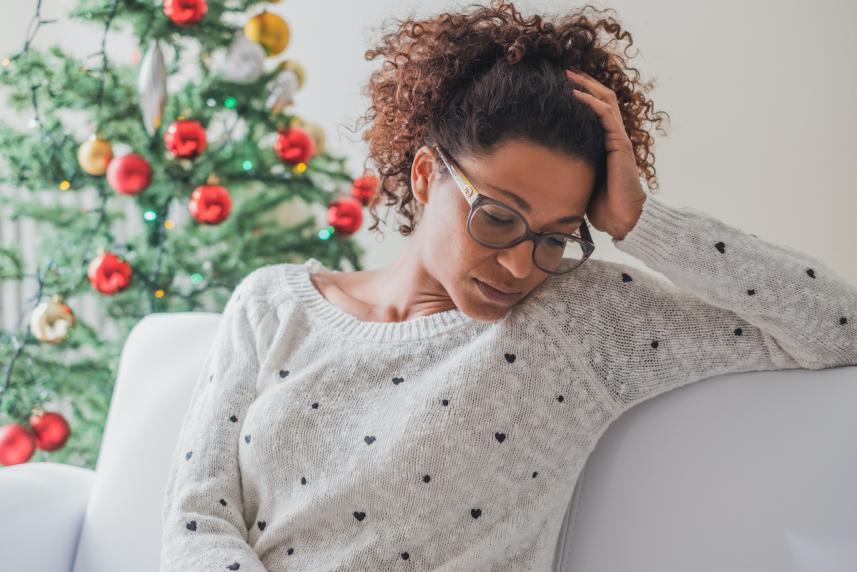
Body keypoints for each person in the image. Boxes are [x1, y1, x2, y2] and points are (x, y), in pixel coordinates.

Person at [159, 1, 857, 570]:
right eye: (498, 217)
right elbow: (196, 518)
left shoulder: (581, 319)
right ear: (428, 175)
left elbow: (838, 326)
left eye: (554, 236)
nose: (523, 266)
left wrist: (640, 221)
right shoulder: (272, 304)